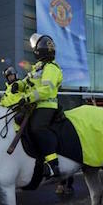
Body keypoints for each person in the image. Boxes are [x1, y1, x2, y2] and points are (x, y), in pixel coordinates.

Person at [20, 33, 63, 179]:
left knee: (37, 128)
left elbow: (46, 91)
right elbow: (26, 82)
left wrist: (27, 98)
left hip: (46, 106)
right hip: (34, 105)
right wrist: (16, 86)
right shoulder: (38, 68)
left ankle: (52, 165)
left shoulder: (51, 68)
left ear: (38, 50)